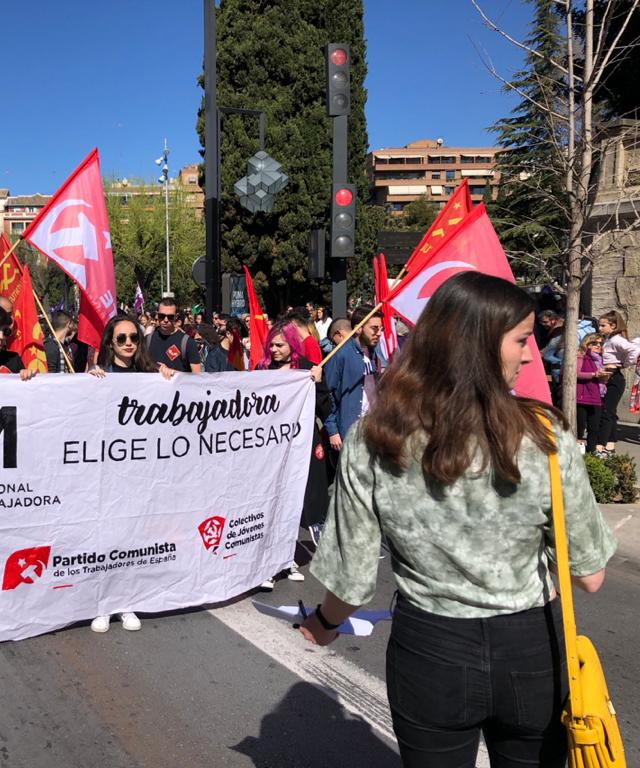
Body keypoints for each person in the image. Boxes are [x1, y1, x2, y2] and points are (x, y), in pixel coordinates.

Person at [299, 272, 616, 767]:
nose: (532, 354)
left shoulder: (373, 437)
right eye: (522, 340)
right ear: (480, 346)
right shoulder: (544, 434)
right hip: (530, 647)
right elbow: (590, 575)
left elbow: (353, 574)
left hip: (431, 651)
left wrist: (323, 623)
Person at [87, 315, 173, 632]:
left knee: (135, 536)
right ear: (110, 341)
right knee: (106, 536)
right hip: (106, 472)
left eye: (133, 338)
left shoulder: (149, 374)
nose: (127, 344)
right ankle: (101, 603)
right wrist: (88, 382)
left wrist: (166, 374)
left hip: (140, 472)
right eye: (121, 338)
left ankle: (126, 601)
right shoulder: (101, 373)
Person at [254, 321, 328, 588]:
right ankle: (265, 564)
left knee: (293, 503)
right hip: (268, 450)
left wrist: (318, 384)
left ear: (292, 346)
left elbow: (324, 407)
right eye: (271, 345)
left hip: (299, 448)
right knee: (269, 501)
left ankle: (286, 558)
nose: (273, 350)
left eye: (279, 345)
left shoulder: (308, 370)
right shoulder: (261, 370)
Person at [323, 306, 382, 450]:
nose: (379, 333)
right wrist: (333, 430)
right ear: (359, 328)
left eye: (381, 328)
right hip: (349, 431)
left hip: (371, 428)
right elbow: (327, 393)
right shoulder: (340, 354)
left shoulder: (372, 351)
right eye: (374, 328)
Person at [595, 310, 640, 457]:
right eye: (599, 325)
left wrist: (625, 363)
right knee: (610, 412)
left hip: (614, 376)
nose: (600, 328)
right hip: (608, 375)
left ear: (613, 326)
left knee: (606, 413)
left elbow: (634, 349)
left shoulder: (616, 340)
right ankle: (610, 444)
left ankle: (600, 446)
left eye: (603, 325)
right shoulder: (609, 339)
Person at [146, 297, 201, 373]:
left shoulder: (188, 342)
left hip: (179, 385)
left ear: (176, 317)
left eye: (170, 317)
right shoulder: (147, 340)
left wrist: (172, 373)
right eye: (161, 316)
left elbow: (197, 375)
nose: (165, 320)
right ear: (157, 315)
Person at [576, 333, 609, 454]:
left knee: (594, 427)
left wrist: (604, 377)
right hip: (582, 396)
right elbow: (575, 373)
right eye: (595, 343)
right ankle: (578, 452)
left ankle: (591, 452)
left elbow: (600, 379)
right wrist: (594, 375)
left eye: (601, 343)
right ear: (587, 343)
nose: (598, 346)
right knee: (579, 427)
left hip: (596, 396)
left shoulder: (600, 359)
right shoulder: (580, 355)